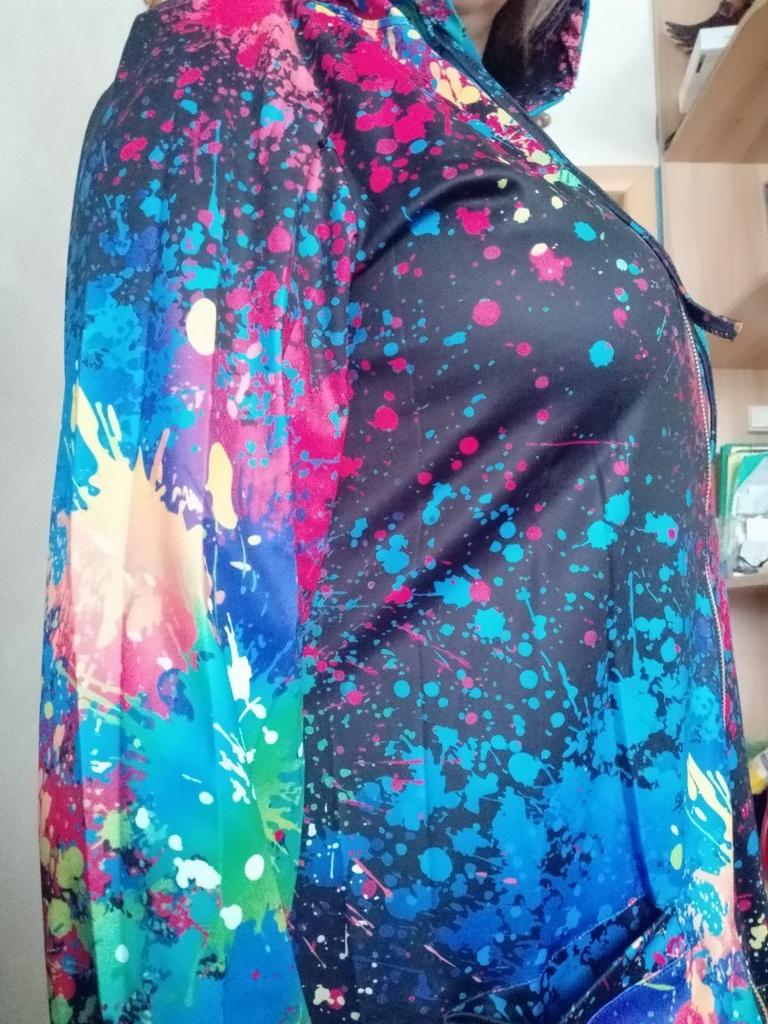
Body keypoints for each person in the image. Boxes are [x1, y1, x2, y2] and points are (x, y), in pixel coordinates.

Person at [37, 0, 768, 1021]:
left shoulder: (480, 108)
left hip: (652, 957)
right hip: (425, 973)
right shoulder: (245, 48)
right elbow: (160, 658)